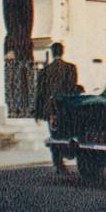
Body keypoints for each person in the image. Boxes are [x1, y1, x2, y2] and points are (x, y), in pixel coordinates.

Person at [34, 42, 78, 173]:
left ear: (52, 53)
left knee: (54, 134)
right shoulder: (70, 68)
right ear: (62, 52)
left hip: (51, 109)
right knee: (65, 133)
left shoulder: (45, 70)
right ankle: (63, 160)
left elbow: (40, 92)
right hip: (65, 107)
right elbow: (72, 88)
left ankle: (58, 163)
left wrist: (38, 112)